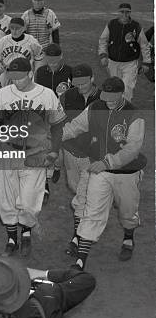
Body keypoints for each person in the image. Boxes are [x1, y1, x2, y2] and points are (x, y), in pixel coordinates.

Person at [0, 58, 67, 258]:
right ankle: (12, 238)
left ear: (30, 74)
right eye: (13, 78)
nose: (16, 82)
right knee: (7, 200)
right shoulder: (2, 95)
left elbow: (57, 126)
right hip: (7, 152)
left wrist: (54, 151)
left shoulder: (47, 95)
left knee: (29, 201)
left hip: (36, 153)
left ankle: (27, 232)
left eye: (20, 78)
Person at [60, 76, 146, 268]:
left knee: (127, 211)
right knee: (92, 211)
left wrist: (109, 162)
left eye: (113, 97)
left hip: (126, 172)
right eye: (106, 96)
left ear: (122, 94)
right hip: (100, 170)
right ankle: (80, 262)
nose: (108, 101)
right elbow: (75, 127)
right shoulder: (95, 107)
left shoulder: (134, 114)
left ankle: (128, 237)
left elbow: (132, 149)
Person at [58, 63, 101, 257]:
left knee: (81, 199)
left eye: (84, 83)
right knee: (77, 190)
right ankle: (87, 222)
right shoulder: (67, 97)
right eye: (77, 83)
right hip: (70, 153)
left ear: (92, 79)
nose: (81, 86)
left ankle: (77, 238)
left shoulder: (103, 98)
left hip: (93, 157)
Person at [33, 42, 72, 201]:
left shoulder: (70, 72)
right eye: (50, 59)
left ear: (61, 56)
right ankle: (45, 185)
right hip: (45, 115)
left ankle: (56, 167)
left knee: (61, 149)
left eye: (55, 59)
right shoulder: (40, 72)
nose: (53, 62)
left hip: (63, 115)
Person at [97, 3, 151, 101]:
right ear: (118, 12)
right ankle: (115, 108)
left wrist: (146, 62)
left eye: (127, 12)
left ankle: (125, 110)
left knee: (127, 88)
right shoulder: (111, 24)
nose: (125, 15)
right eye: (122, 12)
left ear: (130, 13)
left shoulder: (136, 26)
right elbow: (103, 40)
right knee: (115, 87)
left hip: (130, 64)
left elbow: (144, 44)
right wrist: (103, 55)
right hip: (113, 63)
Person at [0, 18, 44, 87]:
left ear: (24, 28)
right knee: (6, 94)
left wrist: (36, 73)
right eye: (12, 28)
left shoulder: (32, 41)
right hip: (7, 73)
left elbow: (39, 58)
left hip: (25, 74)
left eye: (17, 28)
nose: (14, 31)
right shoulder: (3, 41)